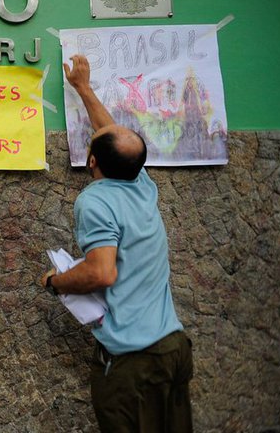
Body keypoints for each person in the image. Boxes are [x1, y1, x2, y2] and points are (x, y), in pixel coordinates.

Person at [41, 54, 193, 432]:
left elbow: (102, 272)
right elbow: (114, 137)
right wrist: (83, 88)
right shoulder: (141, 185)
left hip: (133, 363)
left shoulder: (94, 201)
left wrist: (54, 282)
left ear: (92, 161)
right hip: (172, 349)